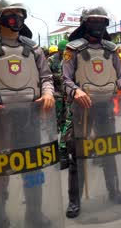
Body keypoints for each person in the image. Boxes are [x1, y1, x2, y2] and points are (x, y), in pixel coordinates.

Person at [0, 0, 55, 227]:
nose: (16, 18)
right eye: (10, 14)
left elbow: (47, 77)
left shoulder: (34, 48)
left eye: (19, 14)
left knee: (33, 168)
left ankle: (34, 213)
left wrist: (47, 93)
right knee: (0, 171)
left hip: (30, 117)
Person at [63, 6, 121, 218]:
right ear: (85, 23)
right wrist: (75, 92)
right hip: (82, 108)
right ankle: (74, 200)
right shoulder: (72, 49)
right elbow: (65, 79)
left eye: (101, 21)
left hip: (104, 106)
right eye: (93, 21)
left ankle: (114, 191)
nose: (98, 25)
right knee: (78, 154)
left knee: (108, 150)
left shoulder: (112, 50)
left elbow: (120, 75)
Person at [48, 39, 69, 169]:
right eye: (63, 51)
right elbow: (46, 77)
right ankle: (52, 149)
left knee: (66, 123)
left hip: (68, 97)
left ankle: (63, 150)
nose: (64, 53)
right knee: (54, 123)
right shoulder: (51, 60)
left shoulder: (71, 59)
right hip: (56, 97)